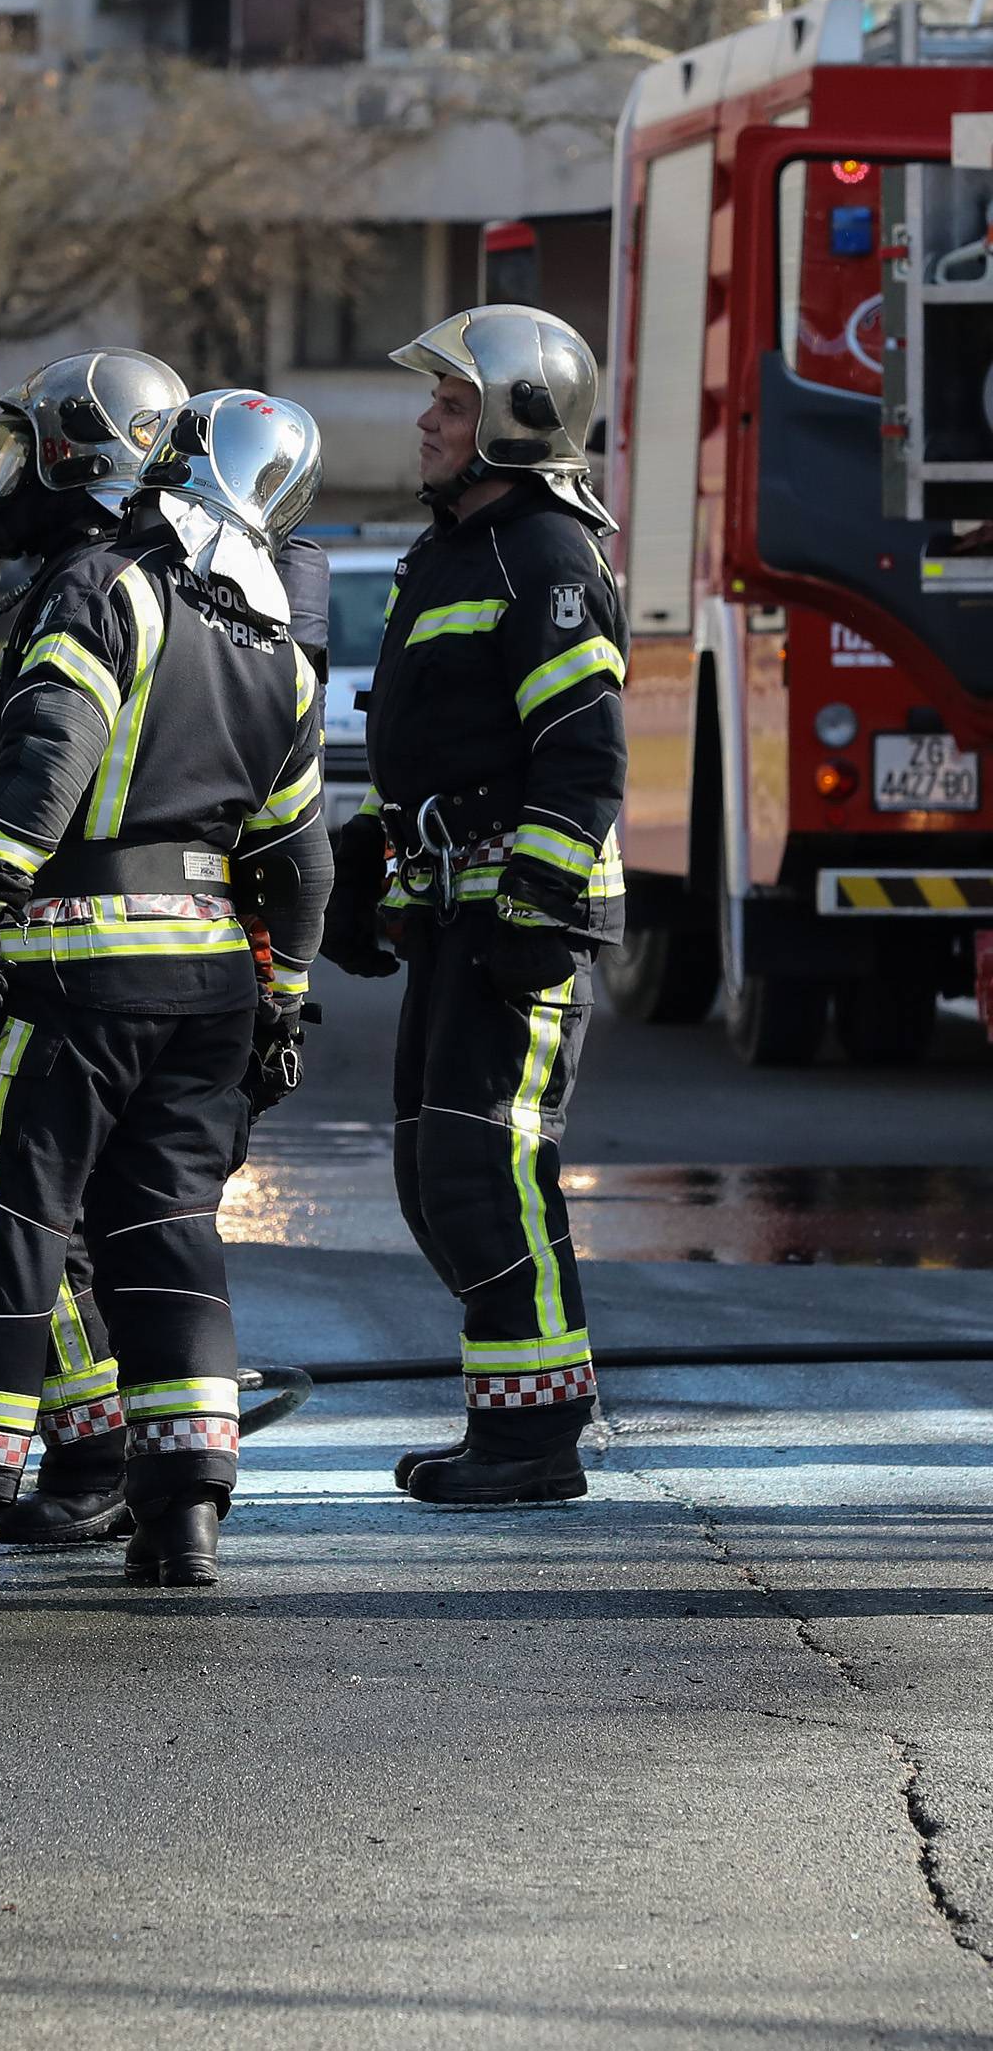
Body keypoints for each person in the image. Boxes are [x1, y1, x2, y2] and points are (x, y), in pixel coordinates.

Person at [0, 380, 331, 1591]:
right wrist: (285, 1001)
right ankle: (183, 1511)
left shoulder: (109, 591)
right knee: (166, 1235)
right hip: (211, 991)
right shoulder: (268, 645)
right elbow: (300, 860)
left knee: (8, 1226)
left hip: (79, 968)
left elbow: (50, 758)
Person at [320, 303, 627, 1508]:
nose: (426, 422)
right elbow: (444, 746)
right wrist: (373, 861)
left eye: (451, 404)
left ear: (515, 417)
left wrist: (540, 904)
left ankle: (537, 1439)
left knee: (487, 1170)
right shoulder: (453, 551)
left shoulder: (546, 555)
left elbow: (584, 755)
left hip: (523, 919)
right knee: (431, 1173)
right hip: (459, 904)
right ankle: (512, 1418)